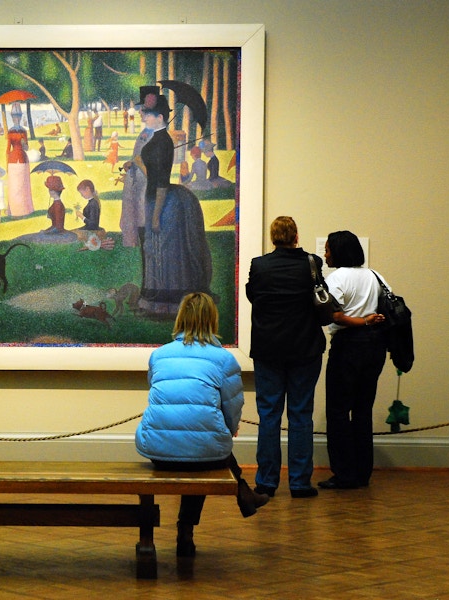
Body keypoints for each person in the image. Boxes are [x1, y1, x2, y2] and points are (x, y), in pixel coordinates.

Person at [135, 292, 269, 557]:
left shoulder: (159, 355)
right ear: (212, 319)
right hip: (205, 453)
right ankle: (189, 527)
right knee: (205, 451)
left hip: (158, 451)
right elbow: (232, 405)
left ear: (180, 317)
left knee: (200, 446)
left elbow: (158, 391)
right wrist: (228, 430)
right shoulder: (223, 359)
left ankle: (243, 495)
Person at [246, 216, 326, 498]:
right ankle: (300, 482)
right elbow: (322, 299)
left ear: (273, 238)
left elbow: (252, 295)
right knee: (301, 414)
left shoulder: (260, 265)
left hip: (268, 350)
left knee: (268, 415)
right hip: (305, 348)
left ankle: (267, 481)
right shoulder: (312, 263)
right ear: (296, 236)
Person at [134, 86, 213, 315]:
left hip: (163, 201)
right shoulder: (159, 139)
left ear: (159, 117)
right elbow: (154, 174)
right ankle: (156, 302)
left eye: (146, 114)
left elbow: (160, 182)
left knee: (163, 251)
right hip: (156, 198)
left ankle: (164, 305)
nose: (143, 116)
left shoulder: (162, 142)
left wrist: (157, 214)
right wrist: (139, 163)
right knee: (155, 250)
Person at [319, 230, 388, 490]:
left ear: (337, 251)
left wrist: (360, 320)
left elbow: (334, 315)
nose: (325, 254)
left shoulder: (336, 278)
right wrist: (370, 320)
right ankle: (362, 472)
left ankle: (344, 473)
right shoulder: (375, 276)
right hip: (375, 346)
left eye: (327, 249)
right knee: (362, 410)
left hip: (348, 345)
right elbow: (387, 306)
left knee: (338, 411)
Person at [5, 102, 34, 217]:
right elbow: (7, 149)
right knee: (14, 186)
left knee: (23, 185)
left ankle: (24, 210)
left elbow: (27, 147)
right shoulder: (10, 131)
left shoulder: (24, 131)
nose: (16, 119)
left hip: (23, 159)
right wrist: (6, 163)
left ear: (21, 117)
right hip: (13, 160)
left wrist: (23, 143)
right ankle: (13, 210)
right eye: (14, 117)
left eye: (18, 116)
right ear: (12, 118)